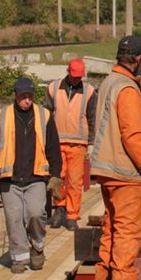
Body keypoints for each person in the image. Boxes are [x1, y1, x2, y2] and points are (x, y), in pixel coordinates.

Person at [89, 35, 141, 280]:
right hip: (125, 172)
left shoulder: (108, 83)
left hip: (107, 170)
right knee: (128, 231)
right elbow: (132, 136)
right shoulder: (127, 89)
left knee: (111, 228)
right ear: (138, 58)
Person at [0, 78, 63, 274]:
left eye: (29, 97)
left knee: (35, 213)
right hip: (10, 179)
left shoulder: (44, 116)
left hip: (36, 177)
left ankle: (37, 247)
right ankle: (19, 257)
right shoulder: (1, 117)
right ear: (15, 96)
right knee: (14, 217)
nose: (27, 101)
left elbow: (54, 148)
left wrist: (55, 176)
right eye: (23, 97)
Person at [43, 58, 98, 231]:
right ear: (68, 72)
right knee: (58, 178)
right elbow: (46, 114)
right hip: (56, 141)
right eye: (74, 76)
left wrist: (91, 143)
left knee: (75, 181)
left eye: (79, 77)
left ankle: (72, 215)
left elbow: (92, 118)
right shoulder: (53, 88)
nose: (76, 79)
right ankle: (59, 209)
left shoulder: (89, 91)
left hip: (78, 143)